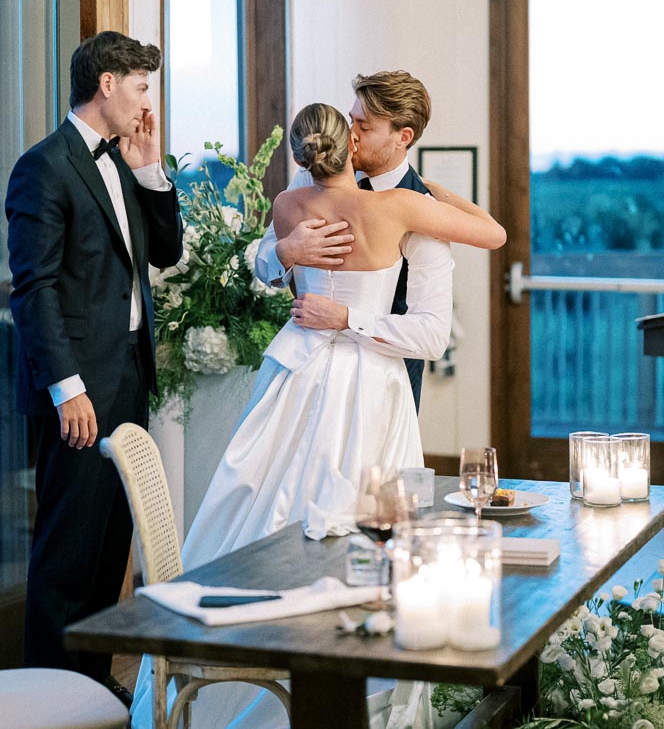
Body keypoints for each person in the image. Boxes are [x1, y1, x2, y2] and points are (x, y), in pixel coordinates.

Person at [131, 102, 504, 728]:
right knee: (361, 523)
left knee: (262, 505)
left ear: (300, 155)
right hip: (369, 382)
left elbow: (271, 268)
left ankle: (229, 681)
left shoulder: (285, 207)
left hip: (295, 377)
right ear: (348, 148)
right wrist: (429, 192)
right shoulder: (395, 210)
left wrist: (285, 253)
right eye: (352, 124)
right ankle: (341, 678)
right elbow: (492, 234)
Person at [6, 31, 183, 703]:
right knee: (66, 557)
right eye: (141, 86)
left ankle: (87, 698)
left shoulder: (120, 159)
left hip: (127, 380)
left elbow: (163, 253)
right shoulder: (44, 167)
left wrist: (148, 168)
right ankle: (43, 703)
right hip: (78, 391)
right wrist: (67, 389)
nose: (146, 102)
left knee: (110, 550)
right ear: (107, 83)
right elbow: (35, 289)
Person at [255, 71, 448, 410]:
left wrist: (345, 317)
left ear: (403, 136)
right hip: (303, 374)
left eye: (365, 126)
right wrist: (286, 251)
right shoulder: (312, 175)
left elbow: (430, 334)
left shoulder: (420, 207)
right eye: (351, 120)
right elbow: (264, 266)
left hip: (385, 378)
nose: (350, 136)